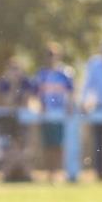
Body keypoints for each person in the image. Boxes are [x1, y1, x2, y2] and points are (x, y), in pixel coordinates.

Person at [33, 42, 74, 181]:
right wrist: (39, 106)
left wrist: (70, 106)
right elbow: (37, 93)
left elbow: (71, 92)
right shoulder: (42, 74)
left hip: (61, 113)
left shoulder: (65, 73)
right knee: (47, 144)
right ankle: (49, 172)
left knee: (59, 144)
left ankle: (57, 172)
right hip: (46, 114)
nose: (51, 58)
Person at [81, 42, 102, 181]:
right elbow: (87, 85)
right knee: (97, 143)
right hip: (99, 107)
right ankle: (99, 173)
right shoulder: (94, 65)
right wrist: (84, 102)